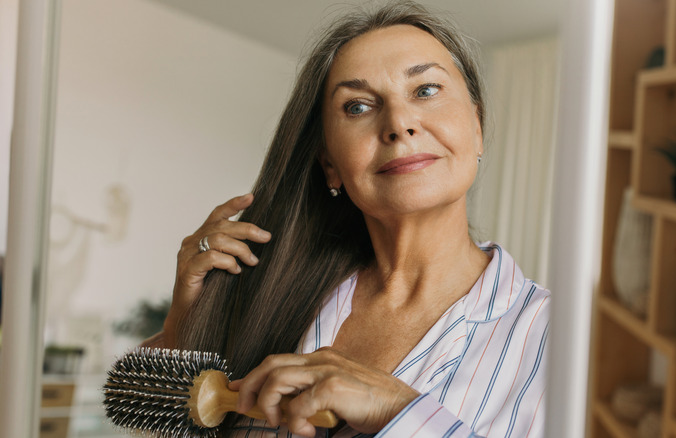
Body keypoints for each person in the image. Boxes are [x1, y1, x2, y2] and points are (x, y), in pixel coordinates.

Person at [145, 2, 549, 437]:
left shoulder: (557, 338)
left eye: (426, 90)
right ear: (330, 164)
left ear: (477, 126)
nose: (399, 123)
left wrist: (396, 410)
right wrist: (184, 326)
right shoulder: (271, 293)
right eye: (357, 107)